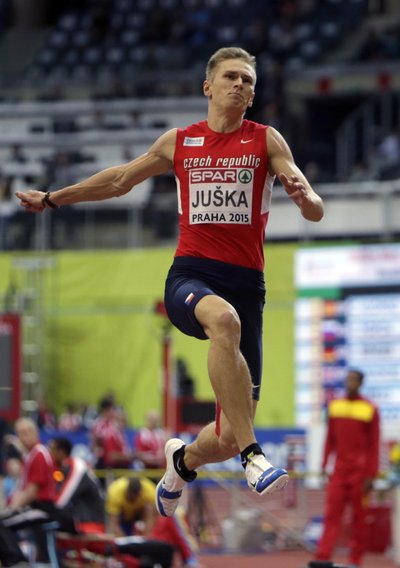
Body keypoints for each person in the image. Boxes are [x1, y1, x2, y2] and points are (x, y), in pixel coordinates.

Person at [15, 46, 324, 518]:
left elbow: (314, 205)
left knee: (221, 437)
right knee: (223, 321)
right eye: (231, 77)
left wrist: (305, 199)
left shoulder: (266, 141)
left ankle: (181, 461)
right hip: (191, 277)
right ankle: (253, 456)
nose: (241, 86)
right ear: (209, 86)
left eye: (249, 81)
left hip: (247, 287)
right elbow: (120, 179)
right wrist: (54, 198)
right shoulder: (180, 142)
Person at [310, 369, 380, 568]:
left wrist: (371, 475)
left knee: (359, 518)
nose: (349, 383)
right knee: (331, 516)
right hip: (339, 473)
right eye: (348, 379)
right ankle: (322, 557)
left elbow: (374, 444)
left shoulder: (370, 409)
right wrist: (324, 465)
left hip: (361, 474)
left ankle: (355, 560)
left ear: (360, 383)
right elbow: (329, 439)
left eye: (353, 380)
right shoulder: (335, 407)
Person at [0, 417, 58, 566]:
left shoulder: (39, 454)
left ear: (35, 433)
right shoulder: (30, 455)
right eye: (20, 433)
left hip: (42, 508)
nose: (23, 437)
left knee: (2, 522)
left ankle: (17, 561)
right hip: (34, 506)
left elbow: (31, 492)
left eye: (26, 432)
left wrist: (11, 509)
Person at [106, 475, 201, 567]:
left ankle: (189, 560)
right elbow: (114, 523)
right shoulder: (115, 493)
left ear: (140, 494)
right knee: (124, 546)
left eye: (135, 498)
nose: (133, 501)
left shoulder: (150, 493)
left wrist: (146, 541)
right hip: (123, 516)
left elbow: (154, 518)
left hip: (143, 515)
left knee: (151, 515)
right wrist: (125, 543)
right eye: (131, 499)